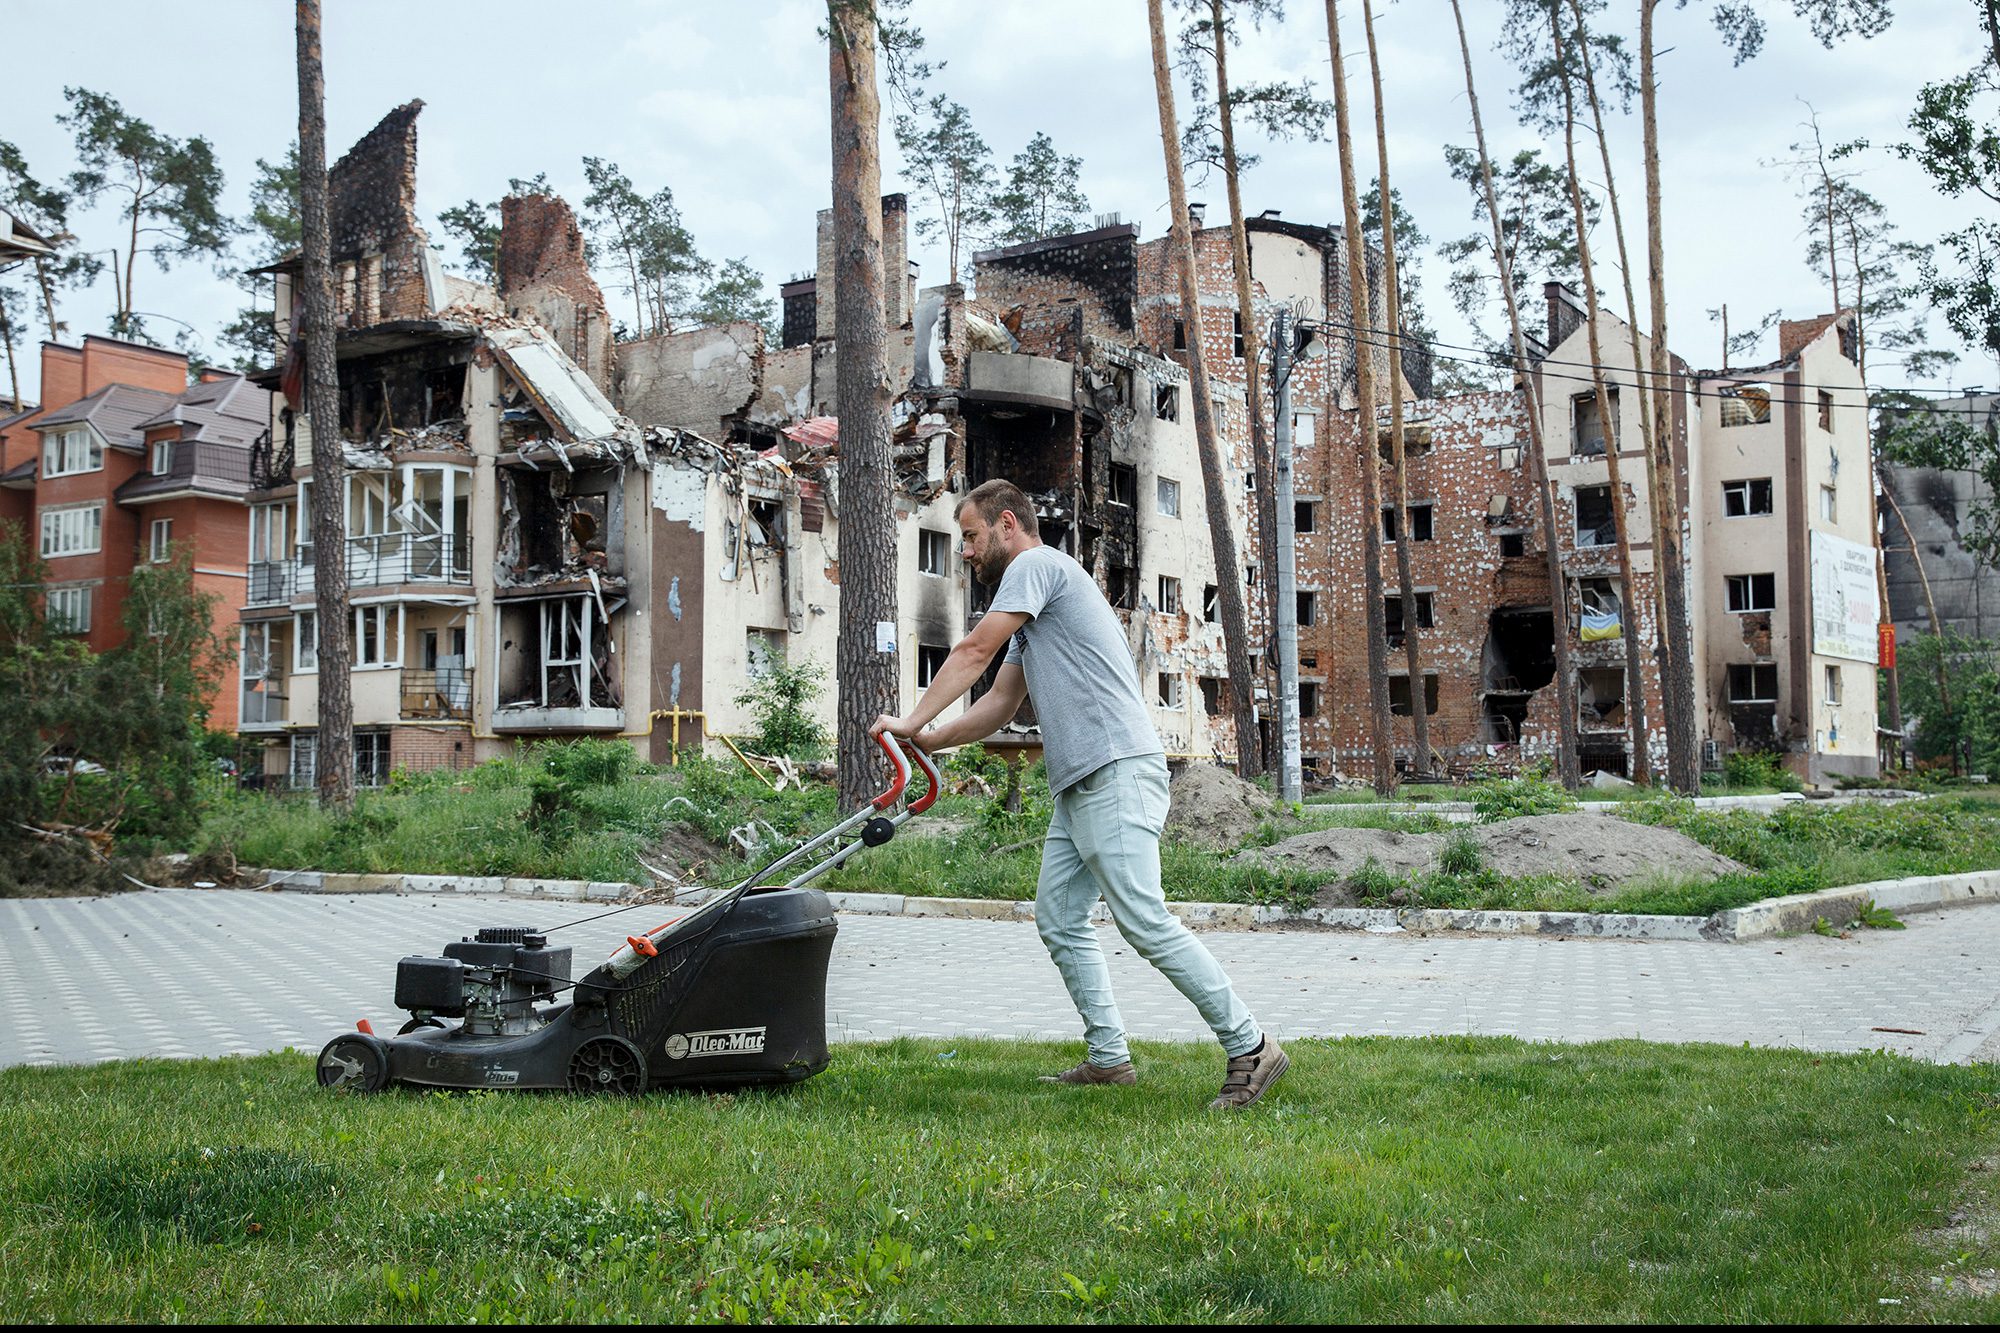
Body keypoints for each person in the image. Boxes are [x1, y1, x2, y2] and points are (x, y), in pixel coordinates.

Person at [869, 478, 1288, 1111]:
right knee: (1060, 918)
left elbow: (973, 648)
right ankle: (1109, 1058)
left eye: (972, 537)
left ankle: (1251, 1045)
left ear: (1007, 525)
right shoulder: (1035, 610)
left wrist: (907, 717)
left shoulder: (1037, 565)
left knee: (1143, 918)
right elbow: (1001, 702)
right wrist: (931, 738)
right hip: (1080, 783)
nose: (967, 553)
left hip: (1116, 768)